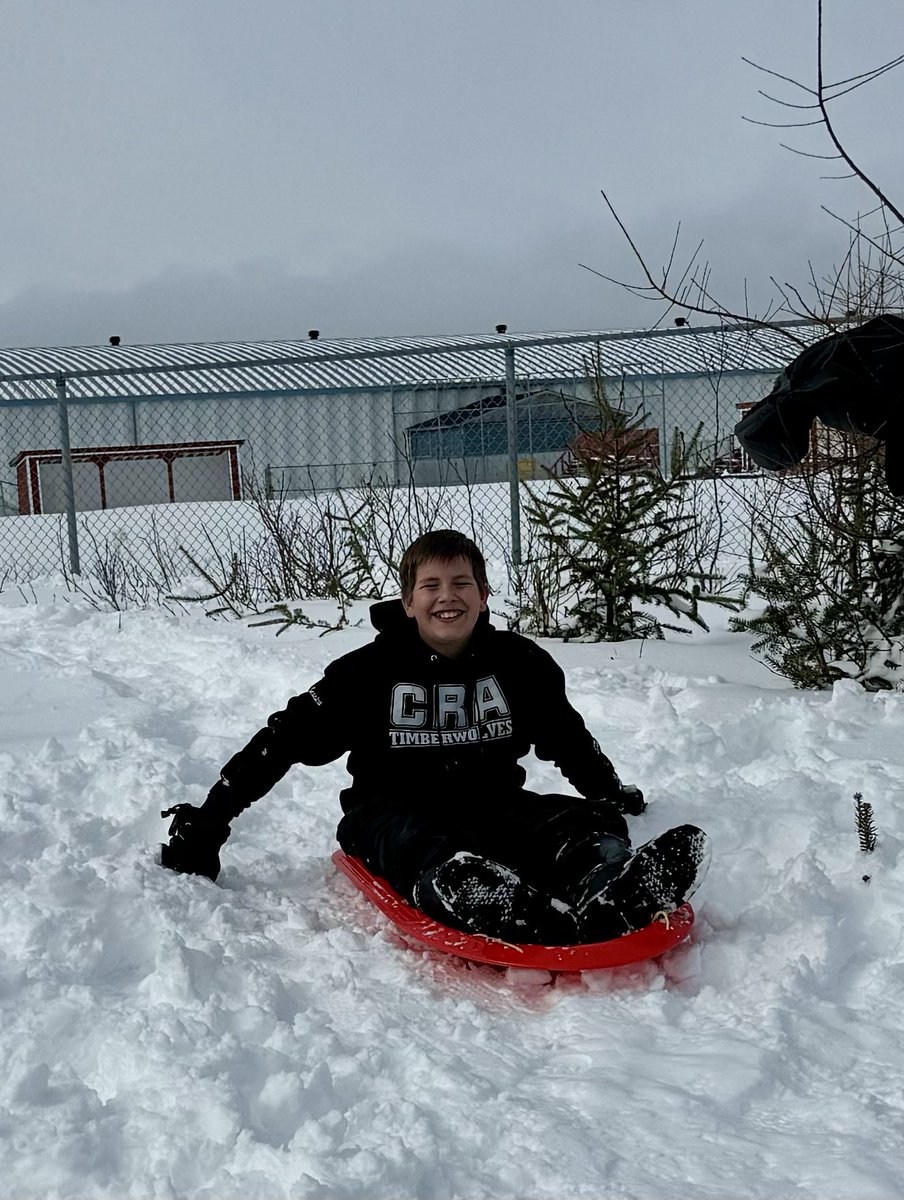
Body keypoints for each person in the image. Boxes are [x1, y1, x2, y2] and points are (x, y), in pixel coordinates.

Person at [161, 530, 710, 945]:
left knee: (580, 823)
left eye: (461, 583)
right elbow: (280, 742)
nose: (448, 596)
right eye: (431, 585)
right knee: (419, 845)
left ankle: (609, 882)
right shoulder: (367, 674)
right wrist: (209, 822)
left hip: (492, 806)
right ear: (408, 602)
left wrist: (608, 794)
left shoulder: (519, 664)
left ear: (484, 594)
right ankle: (475, 893)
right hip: (389, 814)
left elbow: (567, 737)